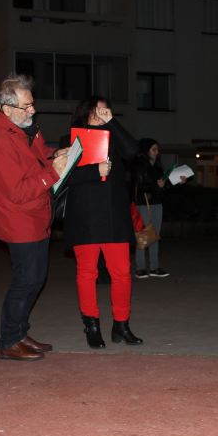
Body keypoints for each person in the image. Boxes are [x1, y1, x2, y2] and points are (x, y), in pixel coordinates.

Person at [0, 74, 69, 360]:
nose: (33, 110)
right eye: (26, 106)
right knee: (26, 281)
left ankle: (19, 333)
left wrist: (58, 153)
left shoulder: (25, 130)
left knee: (35, 278)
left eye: (33, 104)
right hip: (20, 222)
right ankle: (9, 341)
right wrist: (55, 171)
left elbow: (39, 155)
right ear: (7, 109)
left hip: (36, 218)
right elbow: (18, 191)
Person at [63, 96, 143, 348]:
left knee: (121, 274)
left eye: (106, 110)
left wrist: (113, 123)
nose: (101, 114)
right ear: (85, 112)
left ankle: (122, 324)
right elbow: (64, 176)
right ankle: (92, 325)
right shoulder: (72, 139)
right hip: (84, 216)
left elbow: (132, 151)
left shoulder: (115, 137)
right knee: (87, 273)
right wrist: (94, 171)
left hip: (114, 217)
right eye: (97, 110)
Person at [133, 138, 173, 279]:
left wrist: (175, 182)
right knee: (143, 235)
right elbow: (140, 186)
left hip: (157, 203)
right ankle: (141, 268)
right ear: (146, 150)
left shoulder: (157, 166)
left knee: (155, 235)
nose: (157, 152)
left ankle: (154, 267)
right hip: (144, 204)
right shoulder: (140, 166)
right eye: (153, 149)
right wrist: (157, 185)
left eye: (157, 149)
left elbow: (162, 186)